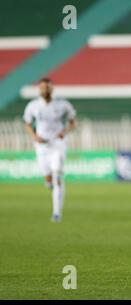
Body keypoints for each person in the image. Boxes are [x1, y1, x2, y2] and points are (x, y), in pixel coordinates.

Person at [23, 77, 77, 223]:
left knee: (57, 175)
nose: (45, 90)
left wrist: (64, 132)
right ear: (39, 89)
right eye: (43, 88)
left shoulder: (62, 105)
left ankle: (57, 213)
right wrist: (34, 136)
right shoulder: (33, 106)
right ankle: (49, 183)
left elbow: (73, 123)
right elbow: (27, 123)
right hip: (42, 146)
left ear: (52, 89)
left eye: (48, 87)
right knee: (48, 179)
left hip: (58, 144)